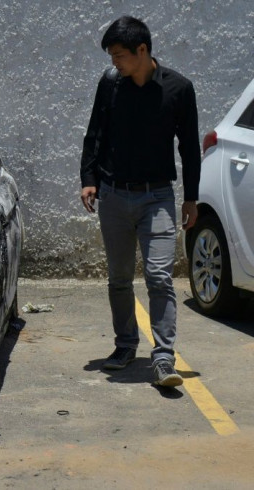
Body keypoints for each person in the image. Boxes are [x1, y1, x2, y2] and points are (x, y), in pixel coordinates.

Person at [79, 16, 201, 387]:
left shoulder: (179, 89)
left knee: (160, 276)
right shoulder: (110, 84)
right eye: (112, 56)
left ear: (142, 50)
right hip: (114, 196)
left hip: (158, 197)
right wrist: (89, 180)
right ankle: (126, 345)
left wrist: (191, 198)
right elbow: (94, 133)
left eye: (119, 55)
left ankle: (164, 359)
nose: (114, 62)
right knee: (118, 279)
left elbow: (190, 148)